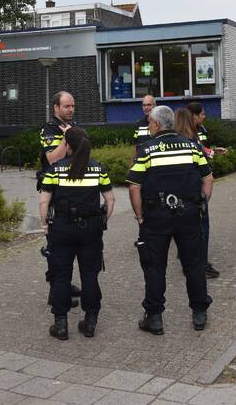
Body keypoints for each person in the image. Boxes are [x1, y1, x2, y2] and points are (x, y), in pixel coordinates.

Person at [129, 106, 213, 335]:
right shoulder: (191, 145)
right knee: (194, 264)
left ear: (156, 125)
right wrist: (201, 205)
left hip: (156, 217)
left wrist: (140, 217)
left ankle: (154, 318)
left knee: (155, 267)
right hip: (189, 214)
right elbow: (208, 177)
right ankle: (199, 314)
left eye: (149, 123)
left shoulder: (146, 150)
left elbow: (134, 186)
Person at [40, 128, 115, 340]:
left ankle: (61, 325)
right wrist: (102, 221)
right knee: (90, 275)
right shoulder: (98, 169)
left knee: (61, 276)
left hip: (62, 229)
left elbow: (44, 201)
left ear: (68, 146)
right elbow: (110, 200)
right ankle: (90, 322)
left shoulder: (55, 170)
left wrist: (45, 225)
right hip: (90, 230)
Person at [38, 91, 81, 306]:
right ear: (55, 108)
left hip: (74, 189)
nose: (71, 109)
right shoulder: (49, 129)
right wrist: (68, 137)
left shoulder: (73, 125)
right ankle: (55, 292)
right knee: (56, 243)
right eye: (66, 106)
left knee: (72, 240)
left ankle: (65, 284)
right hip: (54, 193)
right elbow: (53, 158)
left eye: (72, 106)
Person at [185, 101, 223, 279]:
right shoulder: (189, 136)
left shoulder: (190, 133)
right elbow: (199, 154)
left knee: (192, 226)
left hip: (190, 187)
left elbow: (202, 150)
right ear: (194, 116)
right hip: (196, 187)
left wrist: (213, 151)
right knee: (201, 226)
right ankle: (200, 264)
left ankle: (190, 258)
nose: (205, 116)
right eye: (202, 114)